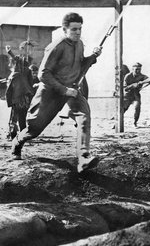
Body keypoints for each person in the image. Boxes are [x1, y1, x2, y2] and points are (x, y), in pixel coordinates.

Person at [11, 12, 103, 172]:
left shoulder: (80, 44)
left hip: (72, 89)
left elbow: (79, 67)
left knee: (84, 117)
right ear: (65, 29)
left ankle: (83, 157)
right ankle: (17, 142)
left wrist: (93, 56)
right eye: (74, 29)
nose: (78, 32)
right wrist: (64, 90)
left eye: (80, 29)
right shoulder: (56, 46)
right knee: (34, 130)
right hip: (50, 92)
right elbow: (43, 74)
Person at [2, 44, 35, 140]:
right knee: (21, 118)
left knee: (14, 117)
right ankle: (22, 135)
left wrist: (10, 52)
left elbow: (18, 60)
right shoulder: (26, 72)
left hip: (18, 98)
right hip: (23, 98)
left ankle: (13, 135)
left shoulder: (18, 73)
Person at [121, 62, 150, 127]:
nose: (138, 71)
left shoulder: (141, 76)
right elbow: (125, 88)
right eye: (136, 69)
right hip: (127, 95)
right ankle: (117, 123)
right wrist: (133, 85)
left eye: (139, 69)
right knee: (123, 109)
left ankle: (135, 123)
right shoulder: (128, 76)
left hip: (136, 94)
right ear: (132, 69)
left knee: (137, 107)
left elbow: (148, 79)